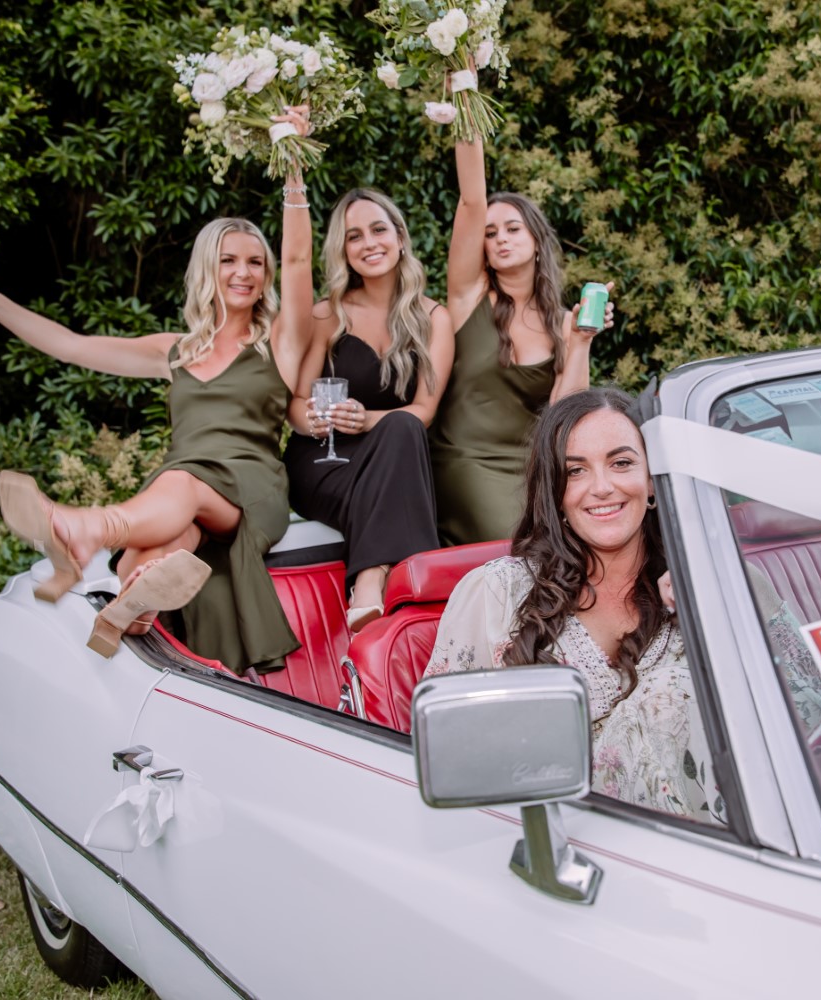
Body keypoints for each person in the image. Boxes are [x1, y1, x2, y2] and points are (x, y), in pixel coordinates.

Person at [0, 108, 319, 674]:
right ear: (206, 270)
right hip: (181, 496)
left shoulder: (279, 342)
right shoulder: (174, 351)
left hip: (249, 488)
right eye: (229, 260)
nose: (244, 272)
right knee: (155, 551)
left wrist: (292, 161)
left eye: (256, 263)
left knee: (180, 483)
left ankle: (84, 529)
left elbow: (300, 259)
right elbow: (69, 346)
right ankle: (128, 611)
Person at [424, 388, 724, 825]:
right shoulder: (496, 592)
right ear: (556, 493)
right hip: (550, 836)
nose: (601, 488)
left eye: (621, 463)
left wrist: (709, 606)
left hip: (711, 848)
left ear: (653, 481)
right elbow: (446, 752)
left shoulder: (709, 578)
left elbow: (802, 714)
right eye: (576, 471)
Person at [428, 129, 615, 547]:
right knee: (522, 544)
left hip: (533, 468)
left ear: (536, 242)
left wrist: (581, 340)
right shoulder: (468, 296)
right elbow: (471, 200)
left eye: (513, 229)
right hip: (464, 461)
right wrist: (466, 103)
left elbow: (565, 414)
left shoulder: (564, 322)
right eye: (490, 233)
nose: (501, 239)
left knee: (581, 538)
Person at [284, 189, 454, 631]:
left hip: (391, 459)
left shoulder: (433, 318)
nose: (369, 243)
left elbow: (425, 411)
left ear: (400, 238)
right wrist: (314, 421)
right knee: (400, 442)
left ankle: (369, 578)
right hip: (325, 460)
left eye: (378, 230)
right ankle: (418, 609)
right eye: (354, 236)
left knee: (403, 427)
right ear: (344, 251)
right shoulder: (328, 314)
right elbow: (295, 404)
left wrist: (367, 420)